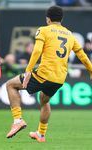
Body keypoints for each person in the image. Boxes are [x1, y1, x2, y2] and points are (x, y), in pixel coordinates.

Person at [5, 6, 92, 142]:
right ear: (61, 19)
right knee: (44, 99)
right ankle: (40, 134)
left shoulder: (43, 30)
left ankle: (18, 120)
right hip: (59, 78)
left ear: (48, 19)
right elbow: (83, 56)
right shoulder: (70, 35)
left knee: (10, 85)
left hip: (44, 74)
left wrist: (28, 70)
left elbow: (37, 50)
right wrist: (91, 71)